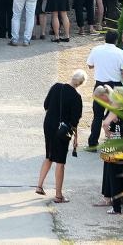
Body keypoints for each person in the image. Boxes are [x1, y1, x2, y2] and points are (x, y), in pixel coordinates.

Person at [37, 70, 86, 204]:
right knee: (60, 161)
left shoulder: (56, 87)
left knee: (49, 155)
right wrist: (75, 138)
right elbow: (75, 120)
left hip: (48, 125)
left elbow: (46, 105)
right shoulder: (76, 97)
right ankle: (58, 195)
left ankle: (39, 185)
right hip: (63, 130)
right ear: (81, 83)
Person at [94, 88, 123, 213]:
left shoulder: (115, 110)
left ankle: (116, 207)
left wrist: (109, 133)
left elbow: (105, 124)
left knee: (114, 177)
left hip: (117, 145)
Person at [85, 29, 123, 148]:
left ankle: (92, 142)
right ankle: (112, 139)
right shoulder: (120, 52)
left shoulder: (96, 50)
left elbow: (90, 65)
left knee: (97, 115)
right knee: (114, 115)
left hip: (99, 85)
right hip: (116, 85)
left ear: (105, 39)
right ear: (116, 40)